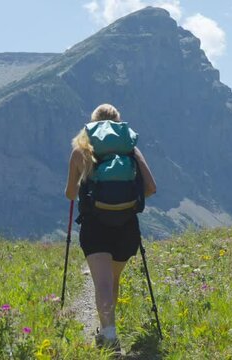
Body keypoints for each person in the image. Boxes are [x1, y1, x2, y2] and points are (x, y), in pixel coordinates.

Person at [65, 104, 157, 352]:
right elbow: (151, 188)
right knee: (113, 279)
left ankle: (110, 337)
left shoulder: (80, 151)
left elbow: (70, 194)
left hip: (95, 226)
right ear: (118, 124)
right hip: (126, 225)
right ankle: (109, 330)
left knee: (102, 283)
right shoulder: (131, 152)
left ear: (93, 124)